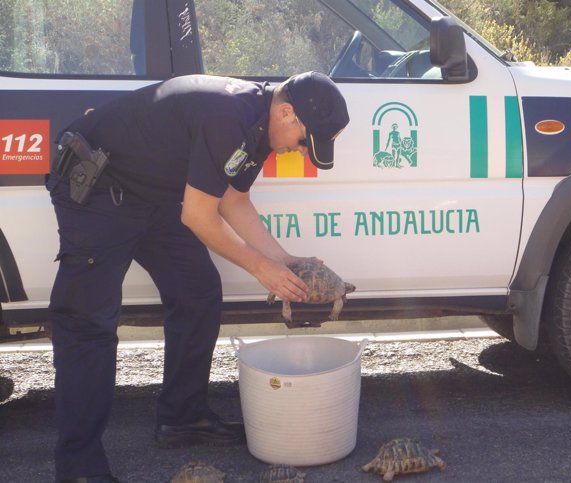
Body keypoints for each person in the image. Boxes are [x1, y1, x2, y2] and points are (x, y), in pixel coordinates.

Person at [46, 71, 350, 483]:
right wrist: (263, 269)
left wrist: (285, 260)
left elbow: (234, 200)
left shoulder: (260, 126)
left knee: (198, 292)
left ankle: (182, 418)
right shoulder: (227, 116)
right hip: (97, 187)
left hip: (153, 195)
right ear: (287, 112)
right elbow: (197, 216)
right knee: (89, 324)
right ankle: (78, 466)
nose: (296, 151)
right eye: (302, 141)